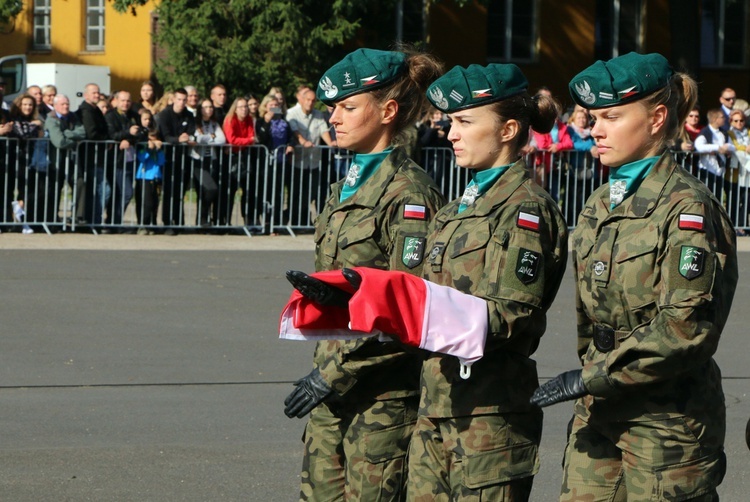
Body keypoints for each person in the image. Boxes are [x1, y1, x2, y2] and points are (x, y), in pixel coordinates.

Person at [282, 62, 569, 501]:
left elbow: (508, 316)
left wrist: (396, 314)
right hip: (437, 405)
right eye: (451, 122)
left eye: (464, 122)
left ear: (509, 129)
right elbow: (418, 294)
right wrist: (351, 297)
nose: (451, 133)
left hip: (485, 413)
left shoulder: (524, 209)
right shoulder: (457, 212)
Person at [530, 52, 738, 501]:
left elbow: (685, 329)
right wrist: (593, 380)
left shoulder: (687, 208)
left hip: (667, 426)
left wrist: (595, 375)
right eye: (592, 117)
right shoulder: (599, 204)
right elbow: (591, 322)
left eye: (612, 116)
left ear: (657, 118)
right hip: (600, 412)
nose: (595, 129)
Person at [282, 47, 447, 501]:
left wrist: (329, 375)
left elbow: (409, 314)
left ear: (388, 111)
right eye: (333, 107)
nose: (333, 117)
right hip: (331, 386)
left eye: (348, 107)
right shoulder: (343, 188)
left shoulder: (409, 193)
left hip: (380, 398)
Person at [286, 86, 337, 224]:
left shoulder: (318, 114)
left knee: (311, 193)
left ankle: (305, 221)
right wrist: (303, 141)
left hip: (314, 161)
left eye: (313, 100)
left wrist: (330, 142)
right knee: (296, 193)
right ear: (302, 100)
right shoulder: (291, 113)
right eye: (308, 99)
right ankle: (295, 220)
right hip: (298, 161)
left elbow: (323, 130)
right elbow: (295, 131)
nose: (310, 103)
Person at [156, 88, 196, 234]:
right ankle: (167, 222)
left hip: (183, 157)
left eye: (184, 100)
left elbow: (191, 132)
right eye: (179, 99)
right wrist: (178, 139)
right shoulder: (164, 114)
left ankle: (179, 221)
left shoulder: (189, 115)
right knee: (168, 191)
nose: (181, 103)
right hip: (167, 157)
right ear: (173, 99)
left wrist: (188, 138)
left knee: (180, 190)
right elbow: (166, 136)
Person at [255, 94, 296, 232]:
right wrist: (267, 122)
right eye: (271, 105)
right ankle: (266, 222)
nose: (274, 108)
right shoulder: (260, 121)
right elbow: (261, 139)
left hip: (281, 162)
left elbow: (291, 137)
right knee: (266, 192)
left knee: (278, 193)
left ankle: (277, 223)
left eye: (276, 105)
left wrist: (291, 145)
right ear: (265, 106)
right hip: (266, 162)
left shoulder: (284, 121)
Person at [45, 94, 86, 226]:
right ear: (55, 106)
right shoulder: (51, 119)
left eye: (67, 104)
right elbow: (59, 141)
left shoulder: (73, 117)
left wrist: (68, 133)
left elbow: (83, 132)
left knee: (80, 182)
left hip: (72, 160)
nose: (66, 106)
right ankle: (52, 218)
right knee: (56, 187)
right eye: (62, 104)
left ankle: (78, 217)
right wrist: (74, 142)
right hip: (55, 160)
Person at [105, 90, 144, 229]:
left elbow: (141, 134)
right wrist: (128, 134)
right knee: (125, 193)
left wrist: (130, 138)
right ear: (116, 101)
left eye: (128, 101)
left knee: (123, 193)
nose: (125, 103)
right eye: (122, 100)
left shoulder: (133, 116)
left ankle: (114, 221)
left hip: (130, 159)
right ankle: (113, 221)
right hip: (117, 159)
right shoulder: (110, 116)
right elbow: (111, 134)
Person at [78, 83, 112, 228]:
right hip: (90, 156)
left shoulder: (95, 110)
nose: (97, 95)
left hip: (98, 157)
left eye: (98, 93)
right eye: (93, 93)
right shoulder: (86, 111)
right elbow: (92, 133)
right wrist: (106, 139)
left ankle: (95, 220)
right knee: (102, 189)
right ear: (86, 95)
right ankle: (94, 221)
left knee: (100, 190)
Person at [9, 94, 45, 233]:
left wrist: (38, 126)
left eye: (30, 105)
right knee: (15, 189)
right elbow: (22, 133)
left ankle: (24, 219)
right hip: (16, 159)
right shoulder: (15, 119)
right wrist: (34, 125)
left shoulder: (35, 119)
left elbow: (41, 135)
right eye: (25, 104)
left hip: (31, 160)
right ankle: (14, 219)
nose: (28, 107)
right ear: (19, 105)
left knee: (29, 191)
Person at [191, 98, 225, 227]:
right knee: (210, 188)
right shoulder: (195, 123)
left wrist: (207, 139)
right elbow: (196, 138)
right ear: (200, 109)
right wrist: (210, 137)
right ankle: (202, 218)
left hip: (212, 160)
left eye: (211, 107)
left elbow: (221, 140)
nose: (209, 109)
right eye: (205, 107)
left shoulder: (214, 124)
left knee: (207, 191)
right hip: (198, 160)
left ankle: (202, 221)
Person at [223, 96, 256, 227]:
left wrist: (247, 140)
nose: (244, 109)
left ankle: (248, 221)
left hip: (244, 157)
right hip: (232, 157)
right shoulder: (230, 120)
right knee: (230, 192)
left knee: (248, 191)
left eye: (246, 107)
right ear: (235, 109)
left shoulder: (249, 120)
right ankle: (226, 221)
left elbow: (251, 135)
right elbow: (232, 139)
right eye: (241, 107)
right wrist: (248, 141)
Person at [565, 106, 599, 224]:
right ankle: (571, 222)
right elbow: (573, 144)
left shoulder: (589, 132)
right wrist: (590, 147)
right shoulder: (570, 130)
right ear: (574, 119)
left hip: (588, 171)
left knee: (586, 197)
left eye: (584, 118)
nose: (582, 120)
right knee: (573, 198)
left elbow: (594, 142)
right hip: (573, 170)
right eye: (579, 118)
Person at [134, 108, 164, 234]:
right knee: (144, 202)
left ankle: (152, 223)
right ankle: (143, 224)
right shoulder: (143, 146)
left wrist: (157, 149)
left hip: (156, 177)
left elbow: (161, 161)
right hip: (144, 176)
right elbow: (142, 158)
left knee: (154, 202)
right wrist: (149, 149)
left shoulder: (159, 148)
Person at [695, 108, 734, 203]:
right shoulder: (706, 131)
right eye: (722, 117)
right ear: (715, 119)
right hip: (707, 170)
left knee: (717, 198)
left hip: (719, 171)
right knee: (706, 198)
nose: (724, 119)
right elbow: (698, 146)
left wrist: (727, 148)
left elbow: (732, 146)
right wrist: (717, 148)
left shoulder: (723, 133)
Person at [727, 109, 750, 231]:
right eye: (736, 121)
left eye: (741, 120)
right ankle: (734, 226)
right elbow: (734, 147)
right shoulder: (730, 133)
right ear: (731, 121)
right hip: (734, 173)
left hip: (747, 174)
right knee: (734, 200)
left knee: (746, 200)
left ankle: (743, 225)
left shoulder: (748, 132)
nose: (739, 123)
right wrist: (745, 148)